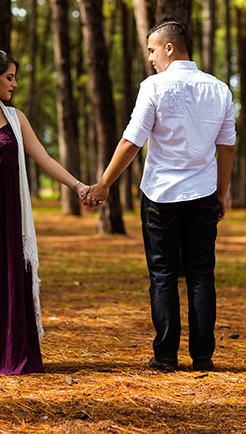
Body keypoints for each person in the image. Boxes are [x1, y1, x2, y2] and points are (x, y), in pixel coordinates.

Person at [83, 20, 235, 372]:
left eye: (152, 49)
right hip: (203, 194)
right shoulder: (220, 89)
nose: (150, 57)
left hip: (161, 196)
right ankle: (203, 358)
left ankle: (165, 356)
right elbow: (226, 147)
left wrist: (104, 184)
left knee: (164, 275)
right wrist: (222, 193)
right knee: (201, 275)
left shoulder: (154, 87)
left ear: (169, 47)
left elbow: (132, 141)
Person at [0, 49, 90, 375]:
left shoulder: (16, 119)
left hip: (8, 216)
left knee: (7, 277)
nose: (15, 83)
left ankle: (11, 350)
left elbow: (45, 159)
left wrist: (78, 186)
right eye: (9, 77)